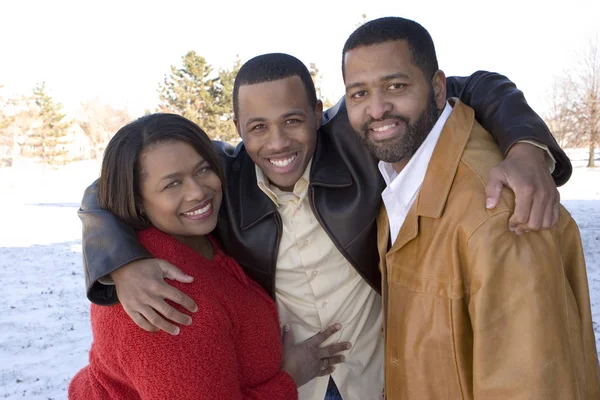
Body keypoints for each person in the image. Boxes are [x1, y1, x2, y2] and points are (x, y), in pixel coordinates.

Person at [78, 54, 572, 399]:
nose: (278, 142)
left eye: (293, 120)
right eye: (257, 128)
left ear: (319, 114)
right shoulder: (221, 182)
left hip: (380, 378)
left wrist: (527, 148)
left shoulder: (355, 141)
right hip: (295, 388)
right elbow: (108, 190)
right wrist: (120, 261)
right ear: (238, 129)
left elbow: (479, 86)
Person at [341, 16, 600, 399]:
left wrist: (527, 147)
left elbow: (529, 386)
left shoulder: (498, 208)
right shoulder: (401, 177)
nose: (377, 109)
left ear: (437, 87)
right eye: (358, 93)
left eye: (396, 86)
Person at [68, 113, 350, 399]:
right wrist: (289, 378)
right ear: (137, 199)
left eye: (203, 170)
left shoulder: (194, 236)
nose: (198, 191)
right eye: (172, 184)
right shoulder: (161, 297)